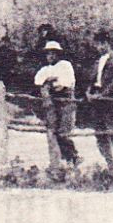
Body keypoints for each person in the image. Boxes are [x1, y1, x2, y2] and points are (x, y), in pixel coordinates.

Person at [84, 32, 113, 170]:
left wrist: (104, 94)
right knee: (99, 133)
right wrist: (88, 92)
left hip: (110, 100)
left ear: (107, 43)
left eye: (101, 44)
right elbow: (92, 80)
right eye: (97, 44)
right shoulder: (98, 61)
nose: (99, 47)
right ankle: (110, 164)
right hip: (97, 101)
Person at [33, 40, 79, 169]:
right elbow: (38, 80)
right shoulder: (45, 69)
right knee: (52, 132)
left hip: (65, 103)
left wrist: (50, 82)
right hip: (52, 104)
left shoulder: (65, 65)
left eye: (53, 53)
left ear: (58, 54)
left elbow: (64, 84)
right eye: (48, 54)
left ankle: (73, 157)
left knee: (63, 132)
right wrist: (49, 80)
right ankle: (60, 162)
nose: (51, 56)